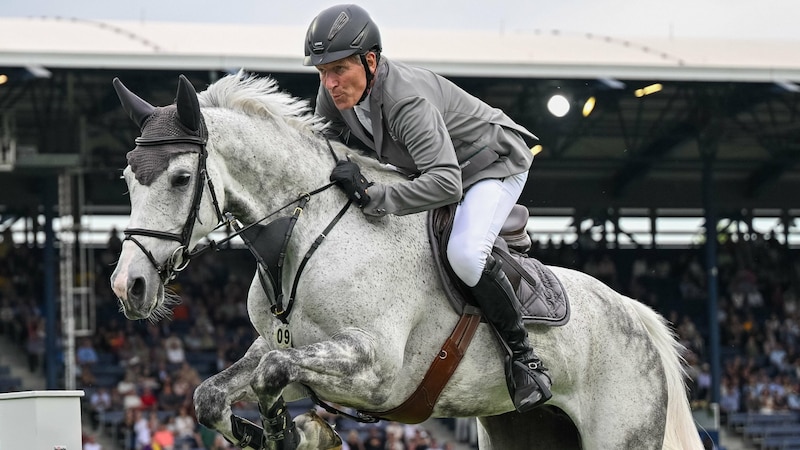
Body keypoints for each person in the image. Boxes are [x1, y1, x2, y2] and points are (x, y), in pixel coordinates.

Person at [303, 4, 550, 411]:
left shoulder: (405, 101)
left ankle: (525, 357)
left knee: (466, 256)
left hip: (491, 163)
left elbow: (447, 183)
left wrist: (375, 196)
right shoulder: (337, 92)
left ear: (370, 60)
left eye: (339, 69)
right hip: (437, 167)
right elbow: (321, 152)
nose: (329, 82)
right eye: (322, 71)